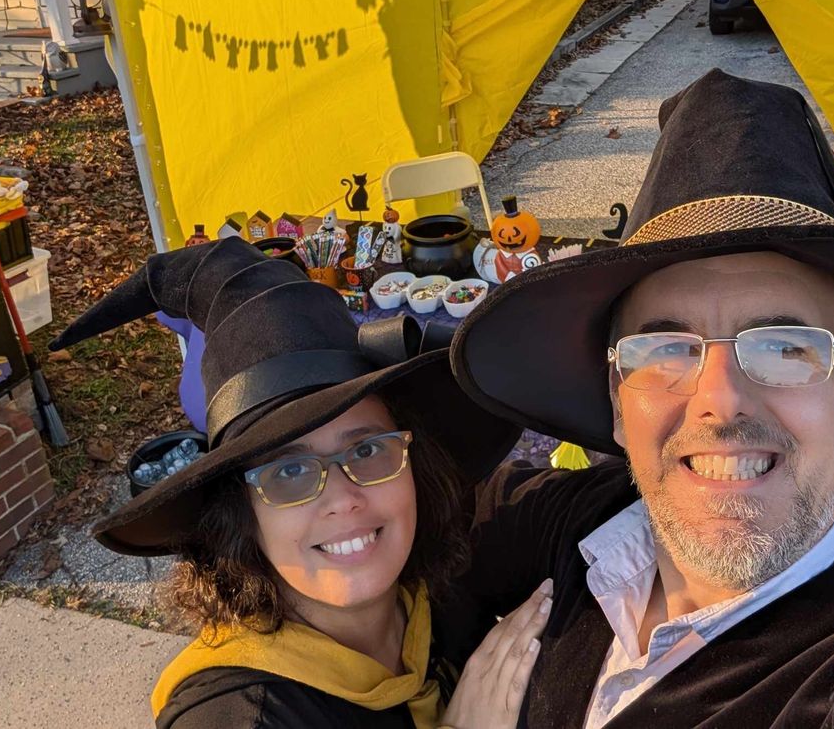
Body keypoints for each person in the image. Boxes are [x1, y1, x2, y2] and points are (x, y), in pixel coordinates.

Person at [447, 70, 834, 727]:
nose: (722, 401)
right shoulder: (585, 523)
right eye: (668, 350)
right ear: (619, 400)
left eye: (786, 348)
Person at [48, 239, 550, 729]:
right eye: (288, 472)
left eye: (368, 450)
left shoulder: (435, 571)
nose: (344, 499)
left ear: (414, 463)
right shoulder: (237, 716)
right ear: (241, 512)